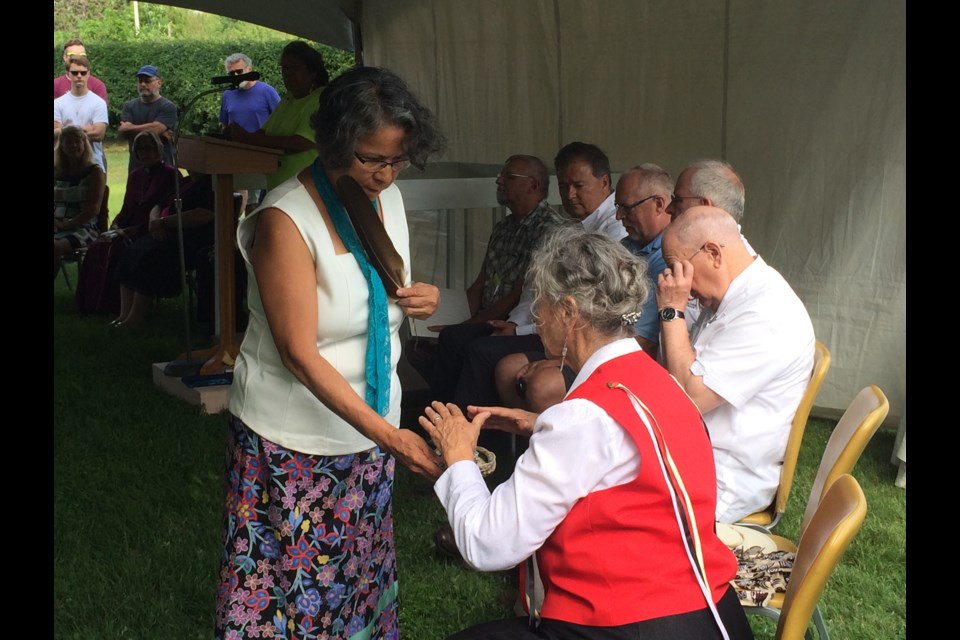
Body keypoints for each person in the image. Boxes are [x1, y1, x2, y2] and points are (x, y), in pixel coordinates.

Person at [420, 226, 754, 639]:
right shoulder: (662, 381)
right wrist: (540, 424)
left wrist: (459, 459)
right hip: (710, 613)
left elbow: (489, 543)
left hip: (636, 627)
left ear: (569, 312)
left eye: (540, 306)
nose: (536, 321)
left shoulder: (582, 418)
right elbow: (621, 443)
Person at [216, 66, 447, 639]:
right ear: (336, 142)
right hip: (292, 442)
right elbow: (299, 353)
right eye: (373, 159)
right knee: (291, 598)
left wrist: (423, 298)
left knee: (357, 583)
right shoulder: (284, 221)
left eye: (398, 160)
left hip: (368, 427)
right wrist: (390, 437)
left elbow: (383, 292)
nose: (387, 174)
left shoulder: (384, 198)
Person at [656, 206, 815, 523]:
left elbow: (689, 398)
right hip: (693, 456)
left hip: (720, 480)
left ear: (713, 253)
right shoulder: (733, 294)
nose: (680, 284)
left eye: (679, 268)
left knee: (592, 503)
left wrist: (671, 311)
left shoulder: (767, 313)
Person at [493, 163, 674, 413]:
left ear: (659, 203)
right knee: (507, 368)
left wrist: (559, 360)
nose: (619, 216)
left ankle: (552, 439)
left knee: (542, 385)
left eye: (626, 208)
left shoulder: (668, 256)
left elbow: (642, 343)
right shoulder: (624, 245)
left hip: (623, 359)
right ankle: (529, 442)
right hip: (586, 344)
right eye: (617, 207)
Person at [426, 154, 567, 406]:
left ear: (533, 185)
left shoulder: (550, 232)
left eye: (509, 176)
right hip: (490, 317)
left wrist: (467, 325)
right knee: (442, 340)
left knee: (469, 345)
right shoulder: (503, 227)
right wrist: (451, 319)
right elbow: (481, 284)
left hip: (524, 324)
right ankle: (439, 423)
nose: (499, 181)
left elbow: (517, 296)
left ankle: (473, 434)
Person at [76, 131, 178, 317]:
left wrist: (134, 230)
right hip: (127, 228)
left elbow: (166, 208)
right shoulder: (135, 175)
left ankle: (112, 306)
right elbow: (126, 207)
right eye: (140, 148)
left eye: (149, 147)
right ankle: (91, 304)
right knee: (97, 247)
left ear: (159, 149)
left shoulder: (170, 174)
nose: (145, 152)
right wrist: (116, 226)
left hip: (151, 230)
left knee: (116, 250)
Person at [111, 172, 215, 327]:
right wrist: (155, 222)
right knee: (130, 251)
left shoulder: (210, 185)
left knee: (149, 257)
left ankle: (136, 316)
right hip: (163, 232)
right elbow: (158, 206)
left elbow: (203, 215)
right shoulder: (183, 182)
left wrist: (164, 222)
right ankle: (123, 314)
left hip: (189, 239)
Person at [225, 41, 327, 191]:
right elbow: (264, 133)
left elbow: (301, 142)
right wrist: (235, 137)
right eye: (284, 68)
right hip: (279, 187)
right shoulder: (288, 99)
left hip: (305, 189)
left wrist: (248, 138)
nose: (288, 73)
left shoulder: (320, 100)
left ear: (312, 71)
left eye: (295, 68)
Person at [54, 126, 105, 278]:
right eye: (68, 142)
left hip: (84, 228)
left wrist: (68, 224)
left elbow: (94, 209)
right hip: (57, 225)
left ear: (84, 144)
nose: (73, 145)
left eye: (77, 141)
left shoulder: (94, 171)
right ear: (61, 146)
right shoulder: (56, 171)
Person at [53, 54, 108, 172]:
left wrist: (66, 129)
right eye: (75, 72)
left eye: (83, 73)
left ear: (88, 74)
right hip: (64, 166)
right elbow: (54, 133)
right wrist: (85, 128)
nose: (79, 76)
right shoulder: (57, 103)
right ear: (68, 75)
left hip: (93, 165)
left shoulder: (98, 103)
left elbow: (98, 134)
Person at [119, 65, 178, 171]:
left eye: (147, 81)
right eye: (140, 81)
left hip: (163, 168)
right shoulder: (129, 106)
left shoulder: (168, 107)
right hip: (136, 168)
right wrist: (156, 132)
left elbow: (156, 128)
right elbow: (123, 132)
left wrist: (131, 128)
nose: (143, 84)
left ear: (159, 83)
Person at [53, 39, 108, 104]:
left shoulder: (97, 85)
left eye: (82, 56)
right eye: (73, 55)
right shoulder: (55, 85)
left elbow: (100, 110)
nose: (78, 59)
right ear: (65, 57)